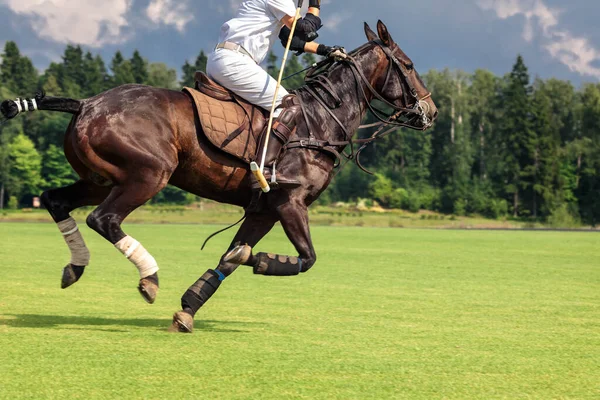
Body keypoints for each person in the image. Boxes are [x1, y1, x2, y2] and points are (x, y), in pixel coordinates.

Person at [206, 0, 340, 189]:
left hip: (223, 59)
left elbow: (291, 39)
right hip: (235, 62)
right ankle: (265, 168)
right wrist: (315, 4)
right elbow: (304, 28)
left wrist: (326, 50)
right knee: (288, 104)